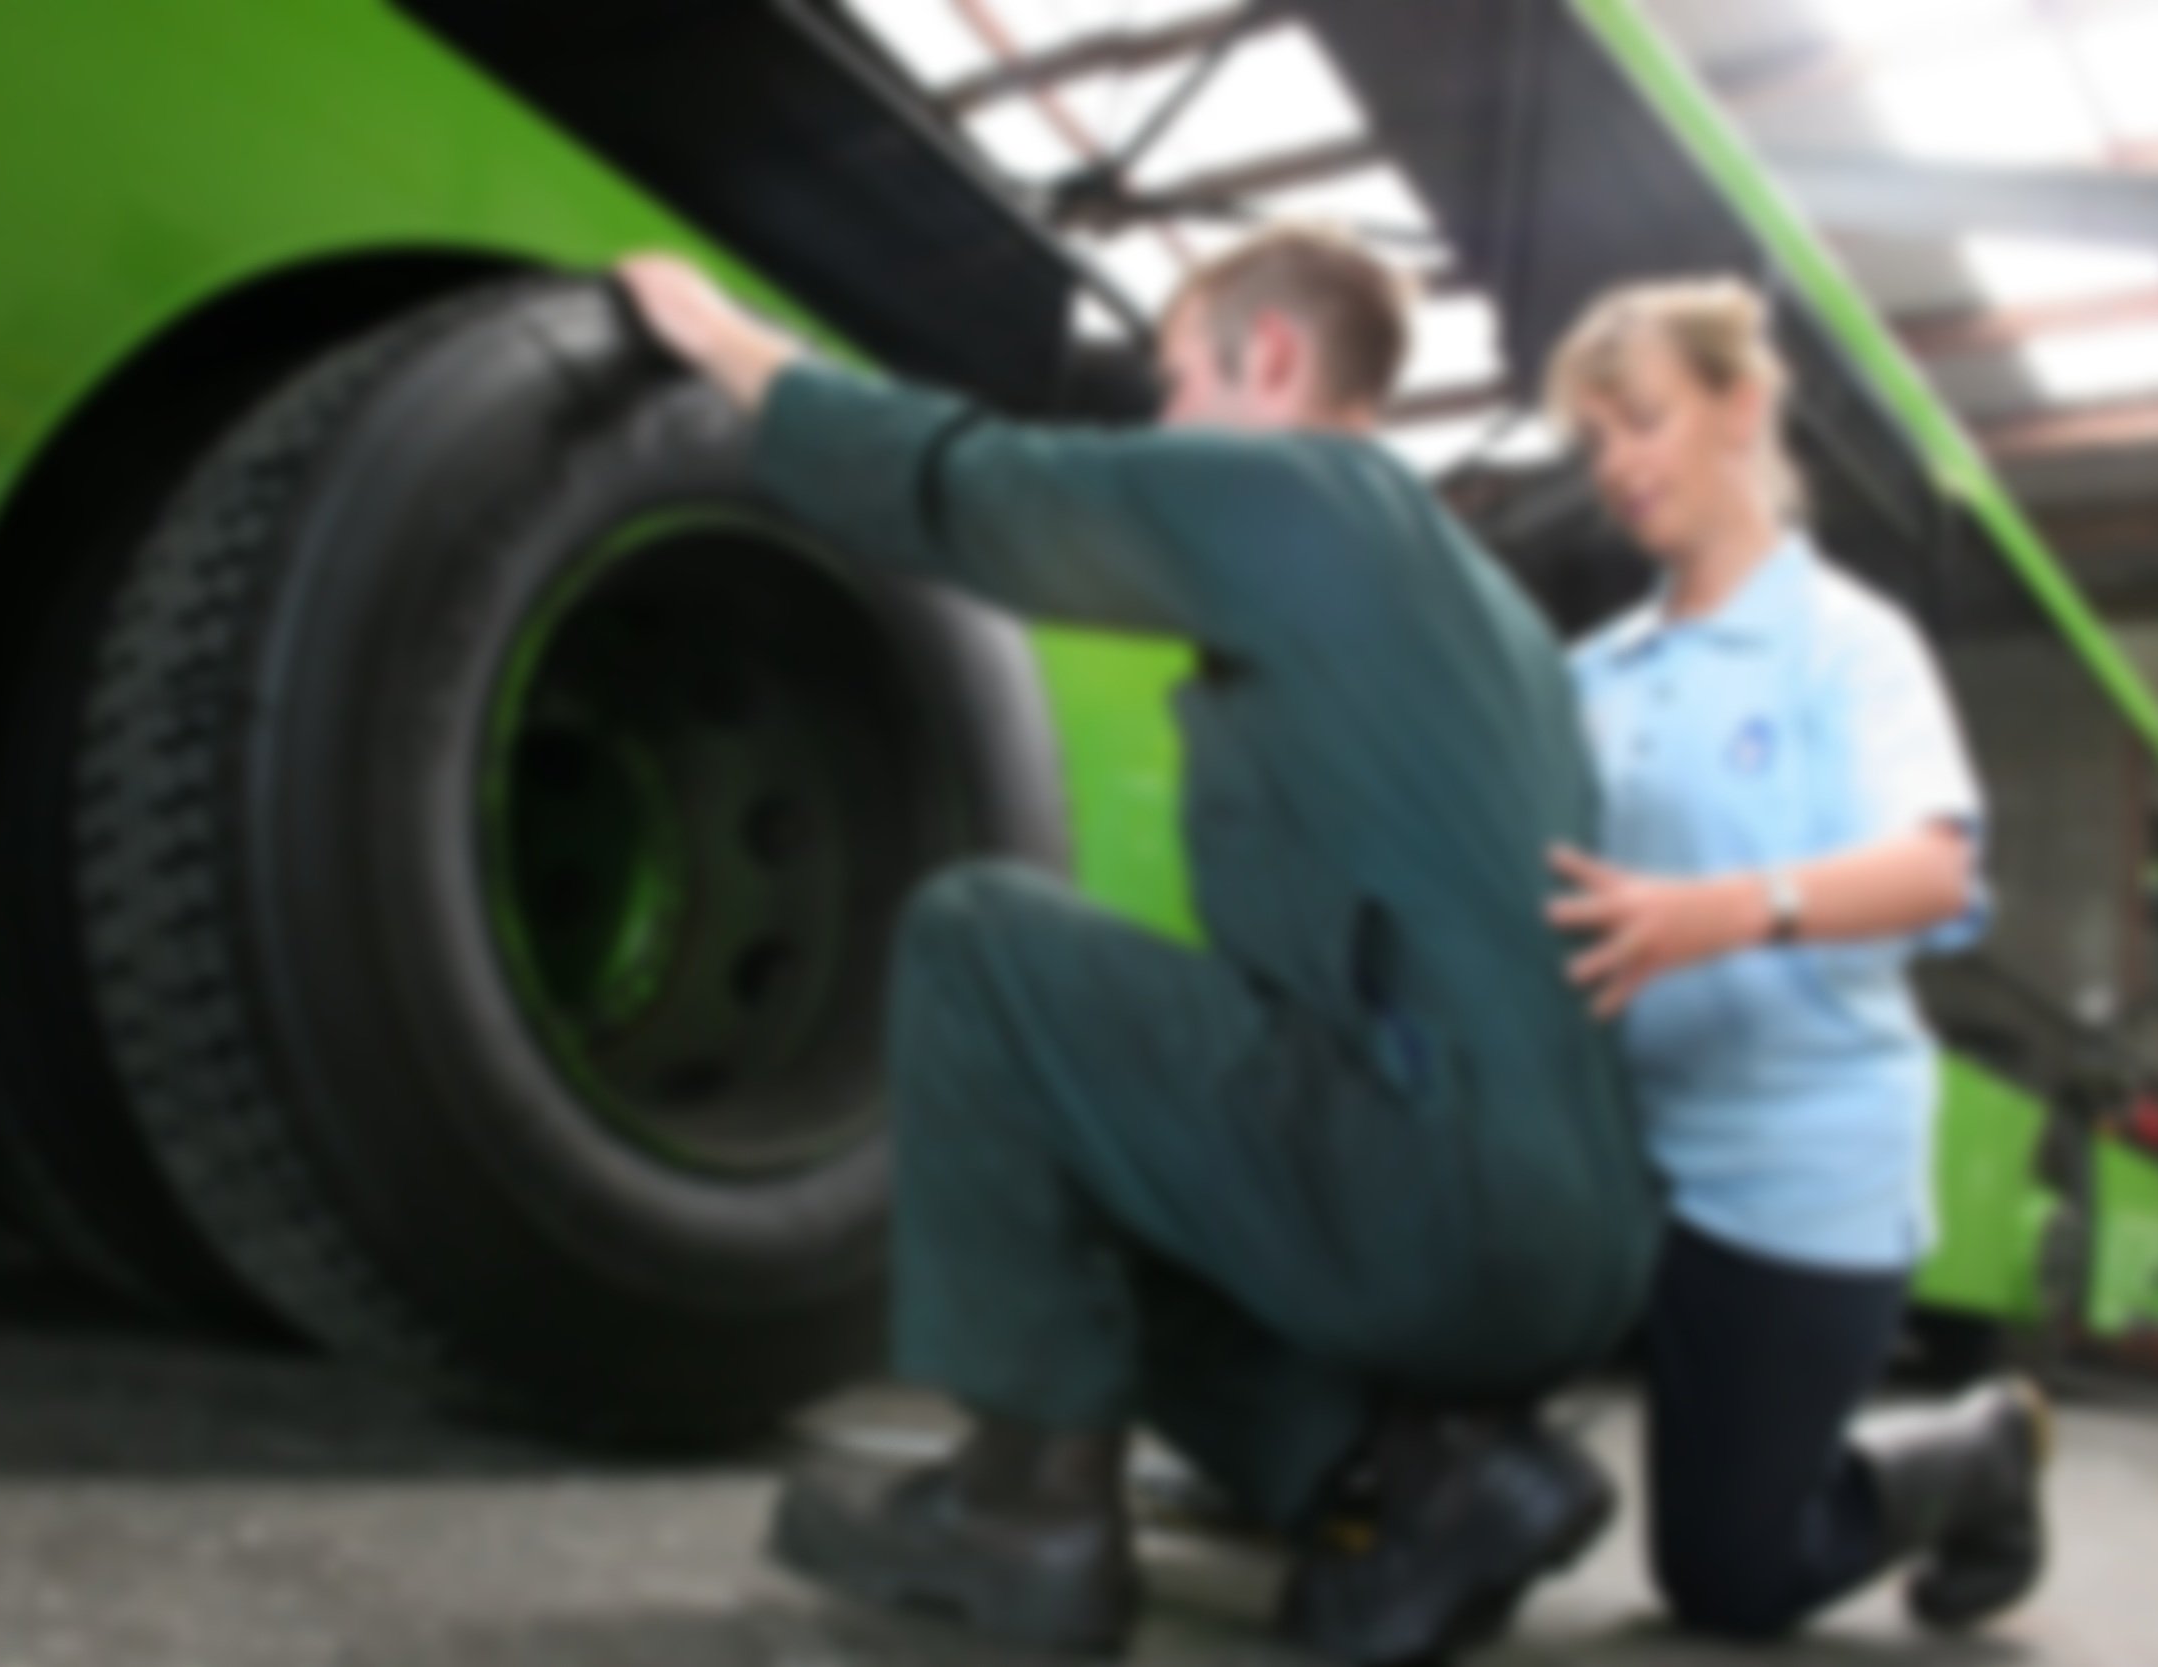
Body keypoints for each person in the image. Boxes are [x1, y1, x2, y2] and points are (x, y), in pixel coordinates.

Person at [616, 230, 1659, 1664]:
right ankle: (1396, 1484)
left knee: (979, 947)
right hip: (1576, 1255)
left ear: (1274, 359)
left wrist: (727, 344)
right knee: (1107, 1146)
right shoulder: (1498, 612)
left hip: (1441, 1213)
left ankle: (1023, 1507)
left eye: (1176, 382)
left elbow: (979, 487)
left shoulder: (1299, 500)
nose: (1161, 427)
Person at [1543, 276, 2049, 1641]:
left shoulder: (1851, 647)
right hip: (1632, 1163)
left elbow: (1938, 870)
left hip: (1796, 1174)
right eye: (1596, 441)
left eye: (1644, 418)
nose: (1620, 466)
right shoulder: (1595, 673)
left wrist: (1722, 909)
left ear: (1741, 408)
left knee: (1726, 1579)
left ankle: (1982, 1452)